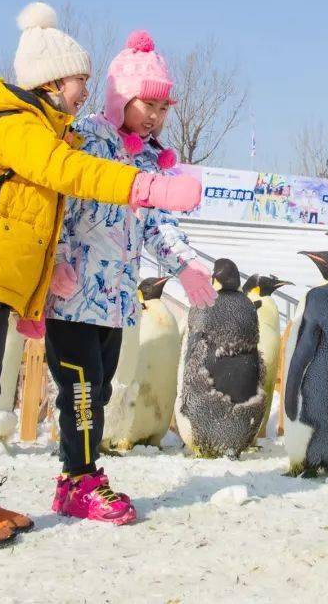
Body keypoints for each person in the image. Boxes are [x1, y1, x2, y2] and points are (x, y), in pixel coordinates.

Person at [0, 4, 202, 548]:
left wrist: (186, 265)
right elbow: (67, 177)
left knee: (8, 387)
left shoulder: (49, 130)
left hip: (78, 290)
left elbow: (43, 213)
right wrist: (149, 189)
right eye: (79, 81)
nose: (84, 93)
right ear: (51, 79)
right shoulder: (26, 129)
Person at [45, 30, 216, 525]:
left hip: (116, 298)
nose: (156, 117)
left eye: (164, 109)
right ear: (122, 98)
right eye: (148, 105)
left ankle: (73, 479)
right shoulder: (87, 140)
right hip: (72, 293)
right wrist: (55, 258)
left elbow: (160, 225)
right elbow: (56, 201)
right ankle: (80, 479)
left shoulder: (147, 160)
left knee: (97, 392)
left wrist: (184, 263)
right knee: (79, 389)